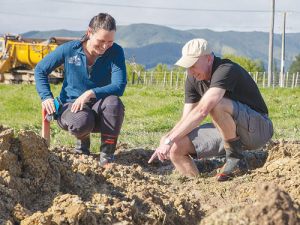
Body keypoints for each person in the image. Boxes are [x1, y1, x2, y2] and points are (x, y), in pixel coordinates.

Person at [148, 38, 273, 181]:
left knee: (216, 105)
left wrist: (169, 139)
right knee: (176, 149)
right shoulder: (193, 80)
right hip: (227, 129)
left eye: (193, 65)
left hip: (258, 129)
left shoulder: (225, 69)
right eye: (187, 66)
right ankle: (195, 189)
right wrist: (167, 139)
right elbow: (186, 119)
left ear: (208, 59)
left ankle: (236, 160)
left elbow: (203, 110)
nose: (190, 71)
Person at [35, 13, 127, 168]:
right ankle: (82, 147)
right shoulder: (69, 49)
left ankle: (107, 156)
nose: (105, 46)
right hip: (70, 107)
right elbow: (40, 70)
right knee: (80, 121)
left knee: (114, 103)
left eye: (110, 41)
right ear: (89, 33)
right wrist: (46, 97)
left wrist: (91, 93)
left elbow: (119, 86)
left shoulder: (116, 52)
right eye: (101, 41)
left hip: (99, 109)